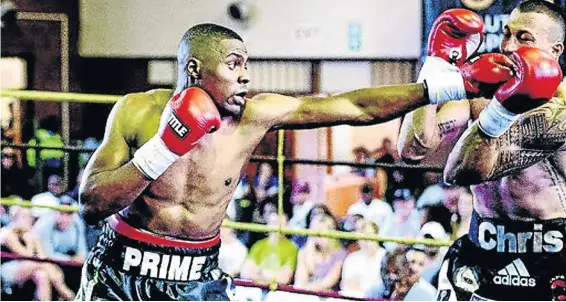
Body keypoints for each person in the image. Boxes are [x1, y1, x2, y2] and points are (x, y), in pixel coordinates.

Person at [76, 20, 510, 300]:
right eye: (233, 64)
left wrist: (446, 86)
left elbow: (352, 106)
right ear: (194, 69)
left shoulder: (254, 116)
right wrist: (165, 147)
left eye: (247, 64)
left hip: (196, 274)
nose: (245, 74)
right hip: (123, 269)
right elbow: (93, 201)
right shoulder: (137, 111)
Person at [398, 2, 565, 300]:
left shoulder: (561, 108)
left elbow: (464, 170)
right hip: (482, 253)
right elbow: (413, 149)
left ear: (555, 50)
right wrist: (435, 70)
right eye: (506, 34)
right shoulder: (482, 92)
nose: (509, 46)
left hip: (549, 259)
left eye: (524, 38)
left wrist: (499, 109)